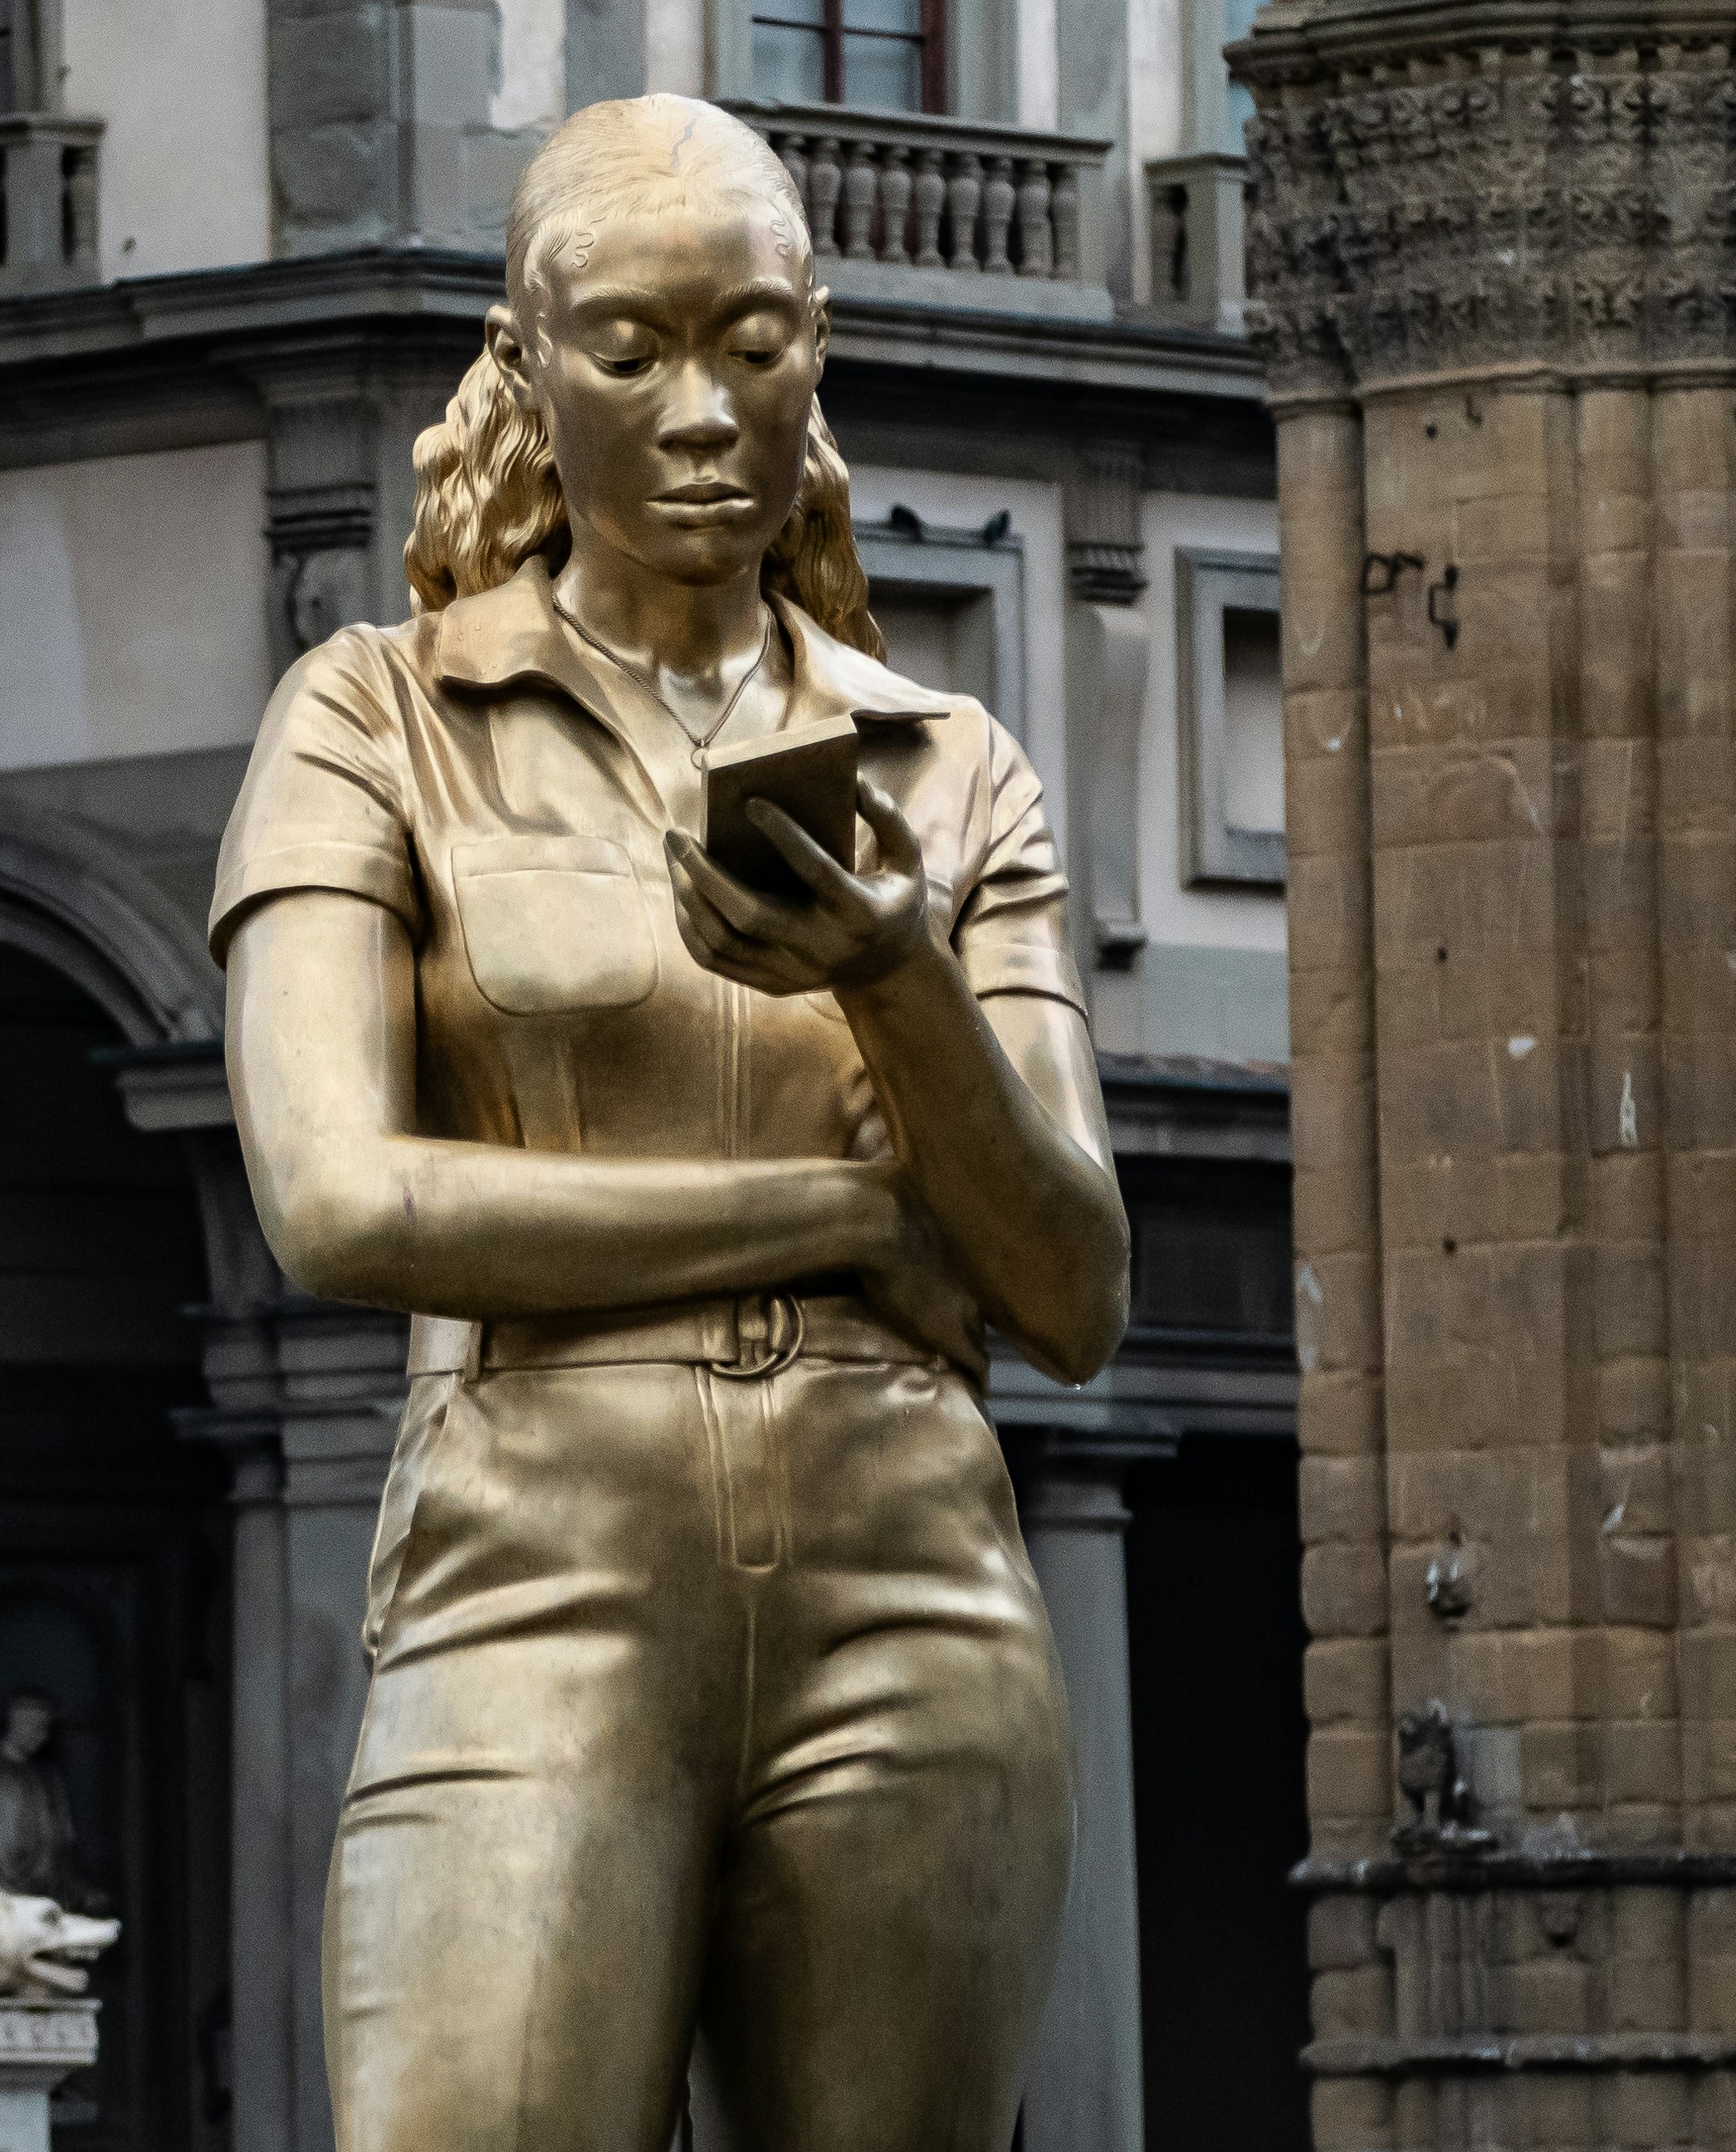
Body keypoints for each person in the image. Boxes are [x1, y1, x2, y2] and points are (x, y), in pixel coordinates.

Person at [213, 95, 1129, 2151]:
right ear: (522, 364)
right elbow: (335, 1200)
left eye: (756, 339)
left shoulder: (946, 764)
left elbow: (1070, 1289)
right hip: (533, 1564)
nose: (704, 407)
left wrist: (895, 971)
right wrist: (826, 1211)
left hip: (915, 1589)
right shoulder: (373, 715)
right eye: (627, 349)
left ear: (817, 349)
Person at [0, 1690, 104, 1911]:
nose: (43, 1736)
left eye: (46, 1728)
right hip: (6, 1903)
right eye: (37, 1727)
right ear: (17, 1723)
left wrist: (78, 1890)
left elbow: (63, 1845)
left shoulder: (49, 1778)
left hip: (52, 1901)